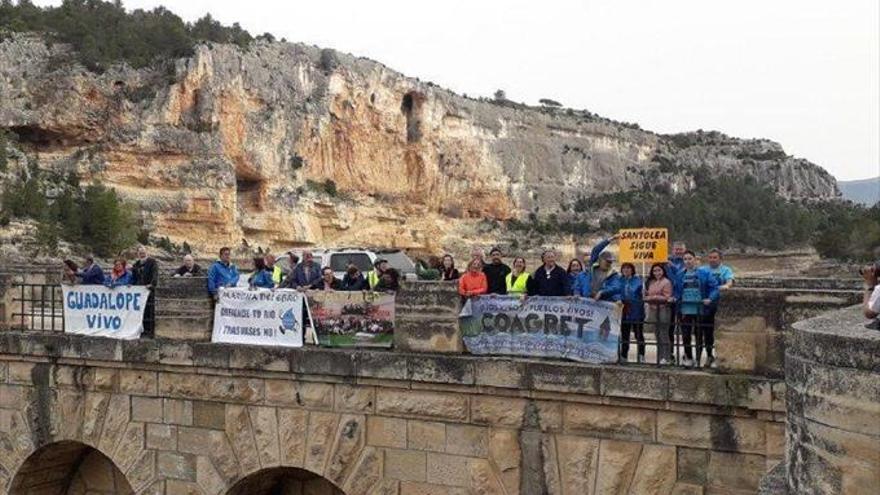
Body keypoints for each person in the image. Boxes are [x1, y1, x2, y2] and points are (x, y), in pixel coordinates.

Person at [673, 251, 719, 367]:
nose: (687, 261)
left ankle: (705, 357)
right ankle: (688, 357)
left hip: (701, 308)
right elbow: (676, 290)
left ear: (695, 259)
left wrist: (710, 298)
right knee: (686, 335)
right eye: (685, 259)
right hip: (685, 308)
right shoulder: (680, 275)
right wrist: (674, 298)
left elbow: (715, 288)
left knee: (701, 334)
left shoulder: (704, 273)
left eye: (690, 259)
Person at [704, 248, 735, 367]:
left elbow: (730, 280)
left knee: (720, 332)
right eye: (710, 257)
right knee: (707, 332)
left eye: (714, 257)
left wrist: (727, 285)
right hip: (706, 305)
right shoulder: (704, 270)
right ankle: (709, 355)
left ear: (720, 259)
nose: (712, 260)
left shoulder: (725, 270)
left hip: (721, 306)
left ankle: (720, 357)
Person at [574, 236, 621, 301]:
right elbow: (596, 250)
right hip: (586, 303)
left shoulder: (614, 275)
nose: (609, 263)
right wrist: (610, 239)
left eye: (610, 262)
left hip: (603, 304)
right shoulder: (591, 268)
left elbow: (616, 287)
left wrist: (602, 292)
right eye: (607, 261)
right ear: (600, 260)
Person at [644, 263, 674, 365]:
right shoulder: (652, 282)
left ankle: (667, 357)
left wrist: (653, 298)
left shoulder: (666, 282)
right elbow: (648, 294)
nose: (657, 273)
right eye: (655, 271)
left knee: (664, 333)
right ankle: (660, 356)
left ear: (663, 271)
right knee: (657, 333)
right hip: (653, 309)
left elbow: (667, 296)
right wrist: (649, 296)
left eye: (659, 270)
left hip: (663, 309)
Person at [618, 262, 645, 363]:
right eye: (624, 268)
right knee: (625, 334)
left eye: (628, 268)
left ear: (632, 270)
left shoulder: (638, 280)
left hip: (636, 311)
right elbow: (616, 292)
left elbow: (641, 294)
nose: (626, 270)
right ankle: (624, 355)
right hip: (624, 311)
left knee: (639, 334)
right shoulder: (619, 280)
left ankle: (641, 355)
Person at [132, 245, 159, 337]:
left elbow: (155, 274)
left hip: (149, 290)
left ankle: (150, 331)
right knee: (140, 312)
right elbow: (134, 278)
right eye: (140, 253)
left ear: (147, 253)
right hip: (139, 292)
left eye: (143, 252)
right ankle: (141, 330)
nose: (142, 254)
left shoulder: (152, 262)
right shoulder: (135, 265)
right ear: (138, 254)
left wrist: (152, 284)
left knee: (150, 311)